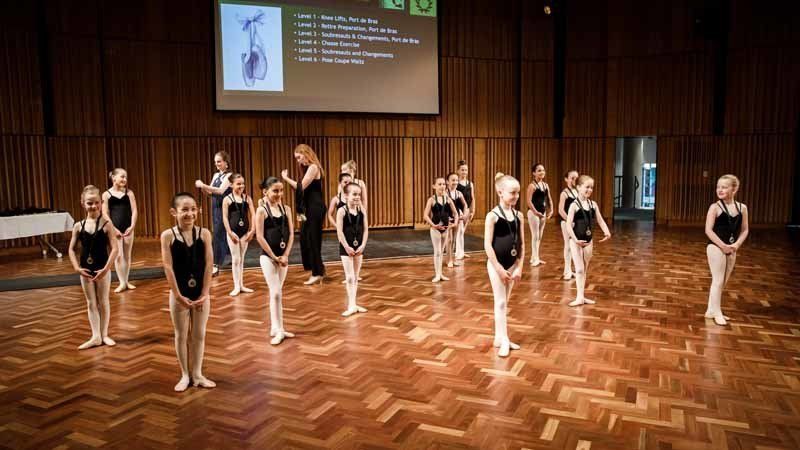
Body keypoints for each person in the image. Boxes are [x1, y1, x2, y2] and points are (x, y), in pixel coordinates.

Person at [160, 192, 215, 392]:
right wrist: (177, 295)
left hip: (201, 293)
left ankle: (198, 374)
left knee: (199, 334)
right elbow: (168, 267)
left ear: (198, 211)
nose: (189, 213)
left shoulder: (205, 234)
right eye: (184, 209)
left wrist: (205, 293)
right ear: (174, 212)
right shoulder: (167, 236)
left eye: (193, 209)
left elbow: (209, 265)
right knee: (181, 334)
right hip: (179, 294)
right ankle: (185, 374)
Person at [68, 185, 119, 350]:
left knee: (103, 301)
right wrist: (76, 268)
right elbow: (71, 249)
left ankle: (104, 334)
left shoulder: (106, 224)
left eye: (96, 202)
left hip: (102, 268)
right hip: (85, 270)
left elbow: (115, 248)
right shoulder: (78, 225)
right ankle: (95, 336)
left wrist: (106, 268)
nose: (94, 206)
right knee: (91, 303)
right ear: (82, 203)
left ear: (101, 202)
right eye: (89, 203)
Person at [485, 173, 525, 357]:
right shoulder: (492, 216)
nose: (516, 196)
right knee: (500, 303)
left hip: (511, 265)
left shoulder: (519, 215)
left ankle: (499, 337)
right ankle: (505, 340)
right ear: (500, 192)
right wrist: (499, 269)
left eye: (518, 193)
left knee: (504, 303)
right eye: (512, 193)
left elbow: (522, 244)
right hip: (496, 265)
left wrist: (519, 267)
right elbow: (487, 245)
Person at [255, 177, 296, 345]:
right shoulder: (261, 211)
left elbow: (292, 234)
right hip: (268, 257)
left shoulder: (286, 209)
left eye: (281, 190)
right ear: (266, 192)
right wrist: (274, 257)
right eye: (275, 191)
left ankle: (276, 327)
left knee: (277, 293)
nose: (279, 194)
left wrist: (285, 255)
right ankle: (278, 330)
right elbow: (259, 236)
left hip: (283, 258)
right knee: (276, 292)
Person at [704, 174, 749, 326]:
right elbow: (708, 230)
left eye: (724, 187)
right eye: (718, 187)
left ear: (734, 189)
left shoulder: (742, 208)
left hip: (732, 247)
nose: (720, 190)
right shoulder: (715, 207)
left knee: (723, 281)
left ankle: (711, 309)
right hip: (716, 246)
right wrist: (722, 246)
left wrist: (736, 245)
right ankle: (718, 312)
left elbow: (744, 230)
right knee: (717, 280)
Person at [282, 144, 326, 285]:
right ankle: (318, 268)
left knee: (313, 239)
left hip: (315, 208)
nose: (298, 160)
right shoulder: (307, 168)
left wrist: (286, 178)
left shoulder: (313, 167)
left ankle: (317, 273)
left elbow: (300, 187)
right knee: (304, 238)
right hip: (307, 209)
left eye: (299, 157)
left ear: (306, 154)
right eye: (296, 158)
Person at [565, 175, 611, 307]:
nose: (589, 190)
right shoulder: (574, 205)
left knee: (584, 269)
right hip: (576, 241)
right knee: (579, 269)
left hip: (589, 241)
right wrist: (574, 239)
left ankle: (582, 296)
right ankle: (579, 297)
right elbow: (568, 225)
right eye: (587, 187)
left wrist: (606, 231)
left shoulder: (593, 204)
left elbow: (600, 220)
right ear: (578, 187)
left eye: (591, 187)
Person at [195, 151, 232, 275]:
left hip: (225, 207)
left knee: (218, 234)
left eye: (219, 161)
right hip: (215, 207)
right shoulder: (216, 175)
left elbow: (221, 191)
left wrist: (203, 184)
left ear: (226, 163)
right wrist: (202, 188)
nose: (216, 164)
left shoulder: (230, 176)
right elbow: (211, 192)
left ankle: (216, 264)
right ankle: (229, 257)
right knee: (219, 233)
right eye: (215, 162)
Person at [102, 168, 138, 293]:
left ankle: (126, 281)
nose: (124, 179)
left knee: (127, 255)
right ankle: (121, 282)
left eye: (126, 177)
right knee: (118, 256)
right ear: (113, 178)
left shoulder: (129, 193)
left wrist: (132, 226)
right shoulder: (106, 194)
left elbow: (134, 210)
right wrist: (113, 229)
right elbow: (105, 214)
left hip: (128, 228)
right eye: (122, 177)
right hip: (114, 228)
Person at [336, 183, 369, 317]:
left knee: (355, 276)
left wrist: (363, 245)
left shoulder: (362, 210)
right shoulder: (342, 211)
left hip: (359, 247)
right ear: (346, 195)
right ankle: (350, 305)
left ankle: (354, 304)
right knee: (349, 277)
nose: (357, 197)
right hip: (346, 247)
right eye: (354, 194)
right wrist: (346, 247)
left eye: (359, 194)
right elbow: (339, 231)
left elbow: (366, 229)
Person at [222, 173, 255, 296]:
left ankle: (241, 285)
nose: (241, 186)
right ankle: (236, 286)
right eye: (238, 183)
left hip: (245, 233)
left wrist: (252, 230)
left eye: (243, 183)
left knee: (241, 259)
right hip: (233, 233)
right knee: (236, 259)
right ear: (231, 185)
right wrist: (230, 232)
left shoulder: (247, 198)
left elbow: (253, 214)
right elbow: (225, 218)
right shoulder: (227, 199)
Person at [423, 177, 458, 282]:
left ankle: (441, 274)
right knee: (437, 252)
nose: (442, 186)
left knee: (442, 252)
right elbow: (425, 215)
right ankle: (437, 274)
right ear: (434, 186)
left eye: (443, 184)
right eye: (439, 184)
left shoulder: (448, 199)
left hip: (446, 229)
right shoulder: (432, 200)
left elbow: (455, 213)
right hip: (435, 230)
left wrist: (455, 223)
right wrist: (433, 225)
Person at [526, 163, 553, 266]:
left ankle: (535, 257)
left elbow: (549, 199)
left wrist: (551, 210)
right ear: (534, 173)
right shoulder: (532, 186)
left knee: (540, 236)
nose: (542, 172)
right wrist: (535, 212)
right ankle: (535, 258)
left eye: (543, 170)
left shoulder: (546, 185)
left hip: (542, 212)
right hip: (533, 213)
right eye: (539, 170)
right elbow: (528, 201)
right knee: (535, 236)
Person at [556, 170, 579, 280]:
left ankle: (569, 270)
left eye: (576, 178)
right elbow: (560, 210)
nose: (574, 180)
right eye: (572, 178)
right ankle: (567, 271)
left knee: (574, 246)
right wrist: (569, 221)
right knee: (568, 246)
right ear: (566, 179)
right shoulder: (564, 193)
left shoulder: (577, 191)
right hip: (566, 223)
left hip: (575, 223)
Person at [446, 172, 470, 268]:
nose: (455, 182)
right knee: (449, 240)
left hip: (457, 218)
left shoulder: (458, 193)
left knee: (454, 240)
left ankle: (452, 259)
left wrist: (464, 214)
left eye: (456, 180)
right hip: (448, 219)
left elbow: (465, 205)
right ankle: (449, 260)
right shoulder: (445, 193)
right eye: (453, 180)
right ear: (447, 182)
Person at [455, 160, 475, 260]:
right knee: (460, 230)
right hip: (459, 209)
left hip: (467, 209)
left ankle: (461, 251)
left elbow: (472, 197)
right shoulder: (456, 183)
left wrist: (472, 210)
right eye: (462, 170)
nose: (464, 172)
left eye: (466, 170)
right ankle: (458, 253)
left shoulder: (470, 184)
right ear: (458, 171)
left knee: (463, 231)